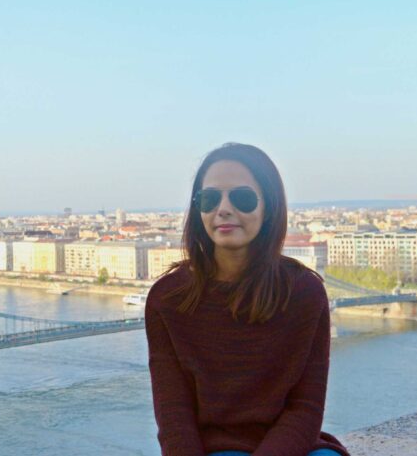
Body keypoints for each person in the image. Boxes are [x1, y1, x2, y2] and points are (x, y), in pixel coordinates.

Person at [146, 143, 349, 456]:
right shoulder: (167, 299)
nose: (223, 209)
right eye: (210, 198)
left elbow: (305, 409)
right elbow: (174, 415)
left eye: (241, 197)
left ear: (269, 207)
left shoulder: (305, 294)